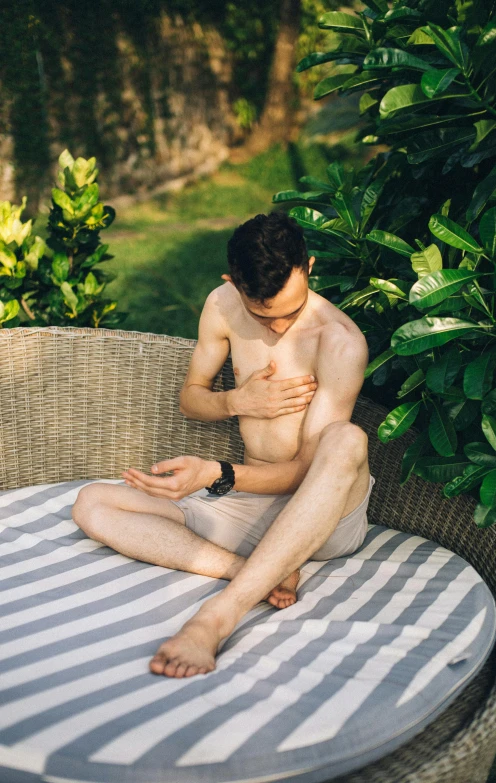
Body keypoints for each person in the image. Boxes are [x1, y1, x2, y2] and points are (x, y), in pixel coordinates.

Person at [72, 211, 373, 679]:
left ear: (309, 267)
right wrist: (237, 400)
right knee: (92, 503)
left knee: (347, 439)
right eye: (262, 313)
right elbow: (192, 398)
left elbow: (305, 472)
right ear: (232, 282)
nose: (278, 327)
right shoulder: (222, 304)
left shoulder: (340, 342)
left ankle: (215, 619)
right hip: (251, 506)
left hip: (324, 513)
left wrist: (217, 473)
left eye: (290, 312)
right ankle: (252, 569)